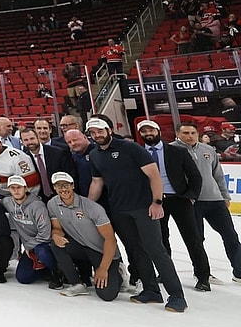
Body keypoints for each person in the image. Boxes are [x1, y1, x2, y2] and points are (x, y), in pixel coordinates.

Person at [87, 118, 186, 312]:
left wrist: (157, 202)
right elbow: (97, 183)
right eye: (92, 133)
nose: (97, 135)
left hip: (143, 208)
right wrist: (88, 206)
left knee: (155, 250)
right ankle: (151, 290)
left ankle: (176, 295)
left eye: (100, 131)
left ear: (109, 129)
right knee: (135, 250)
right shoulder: (95, 155)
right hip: (119, 211)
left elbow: (154, 175)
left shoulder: (130, 148)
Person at [137, 119, 209, 291]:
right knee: (161, 240)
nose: (148, 134)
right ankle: (165, 273)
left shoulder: (178, 152)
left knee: (193, 239)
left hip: (179, 199)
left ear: (158, 130)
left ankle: (203, 277)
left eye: (151, 130)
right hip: (154, 201)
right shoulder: (138, 153)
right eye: (144, 131)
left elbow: (195, 177)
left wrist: (190, 197)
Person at [171, 122, 241, 284]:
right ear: (177, 134)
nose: (190, 136)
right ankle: (202, 272)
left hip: (215, 200)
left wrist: (225, 195)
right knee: (197, 239)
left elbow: (218, 174)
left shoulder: (208, 150)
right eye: (186, 133)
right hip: (192, 202)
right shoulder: (172, 150)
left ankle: (239, 271)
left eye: (193, 133)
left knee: (230, 235)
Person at [48, 172, 124, 300]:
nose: (63, 189)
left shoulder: (91, 207)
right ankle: (77, 284)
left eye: (66, 185)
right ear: (54, 188)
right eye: (59, 185)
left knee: (107, 295)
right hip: (81, 247)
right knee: (56, 244)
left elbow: (110, 239)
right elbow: (57, 228)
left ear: (73, 186)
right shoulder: (52, 204)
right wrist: (56, 235)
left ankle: (117, 273)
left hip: (102, 251)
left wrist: (103, 268)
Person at [2, 175, 57, 287]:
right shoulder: (7, 202)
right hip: (30, 248)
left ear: (26, 188)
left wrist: (28, 246)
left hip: (45, 244)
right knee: (23, 278)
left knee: (42, 251)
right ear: (9, 189)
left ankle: (57, 271)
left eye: (19, 187)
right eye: (13, 188)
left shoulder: (37, 206)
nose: (16, 190)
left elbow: (45, 234)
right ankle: (43, 270)